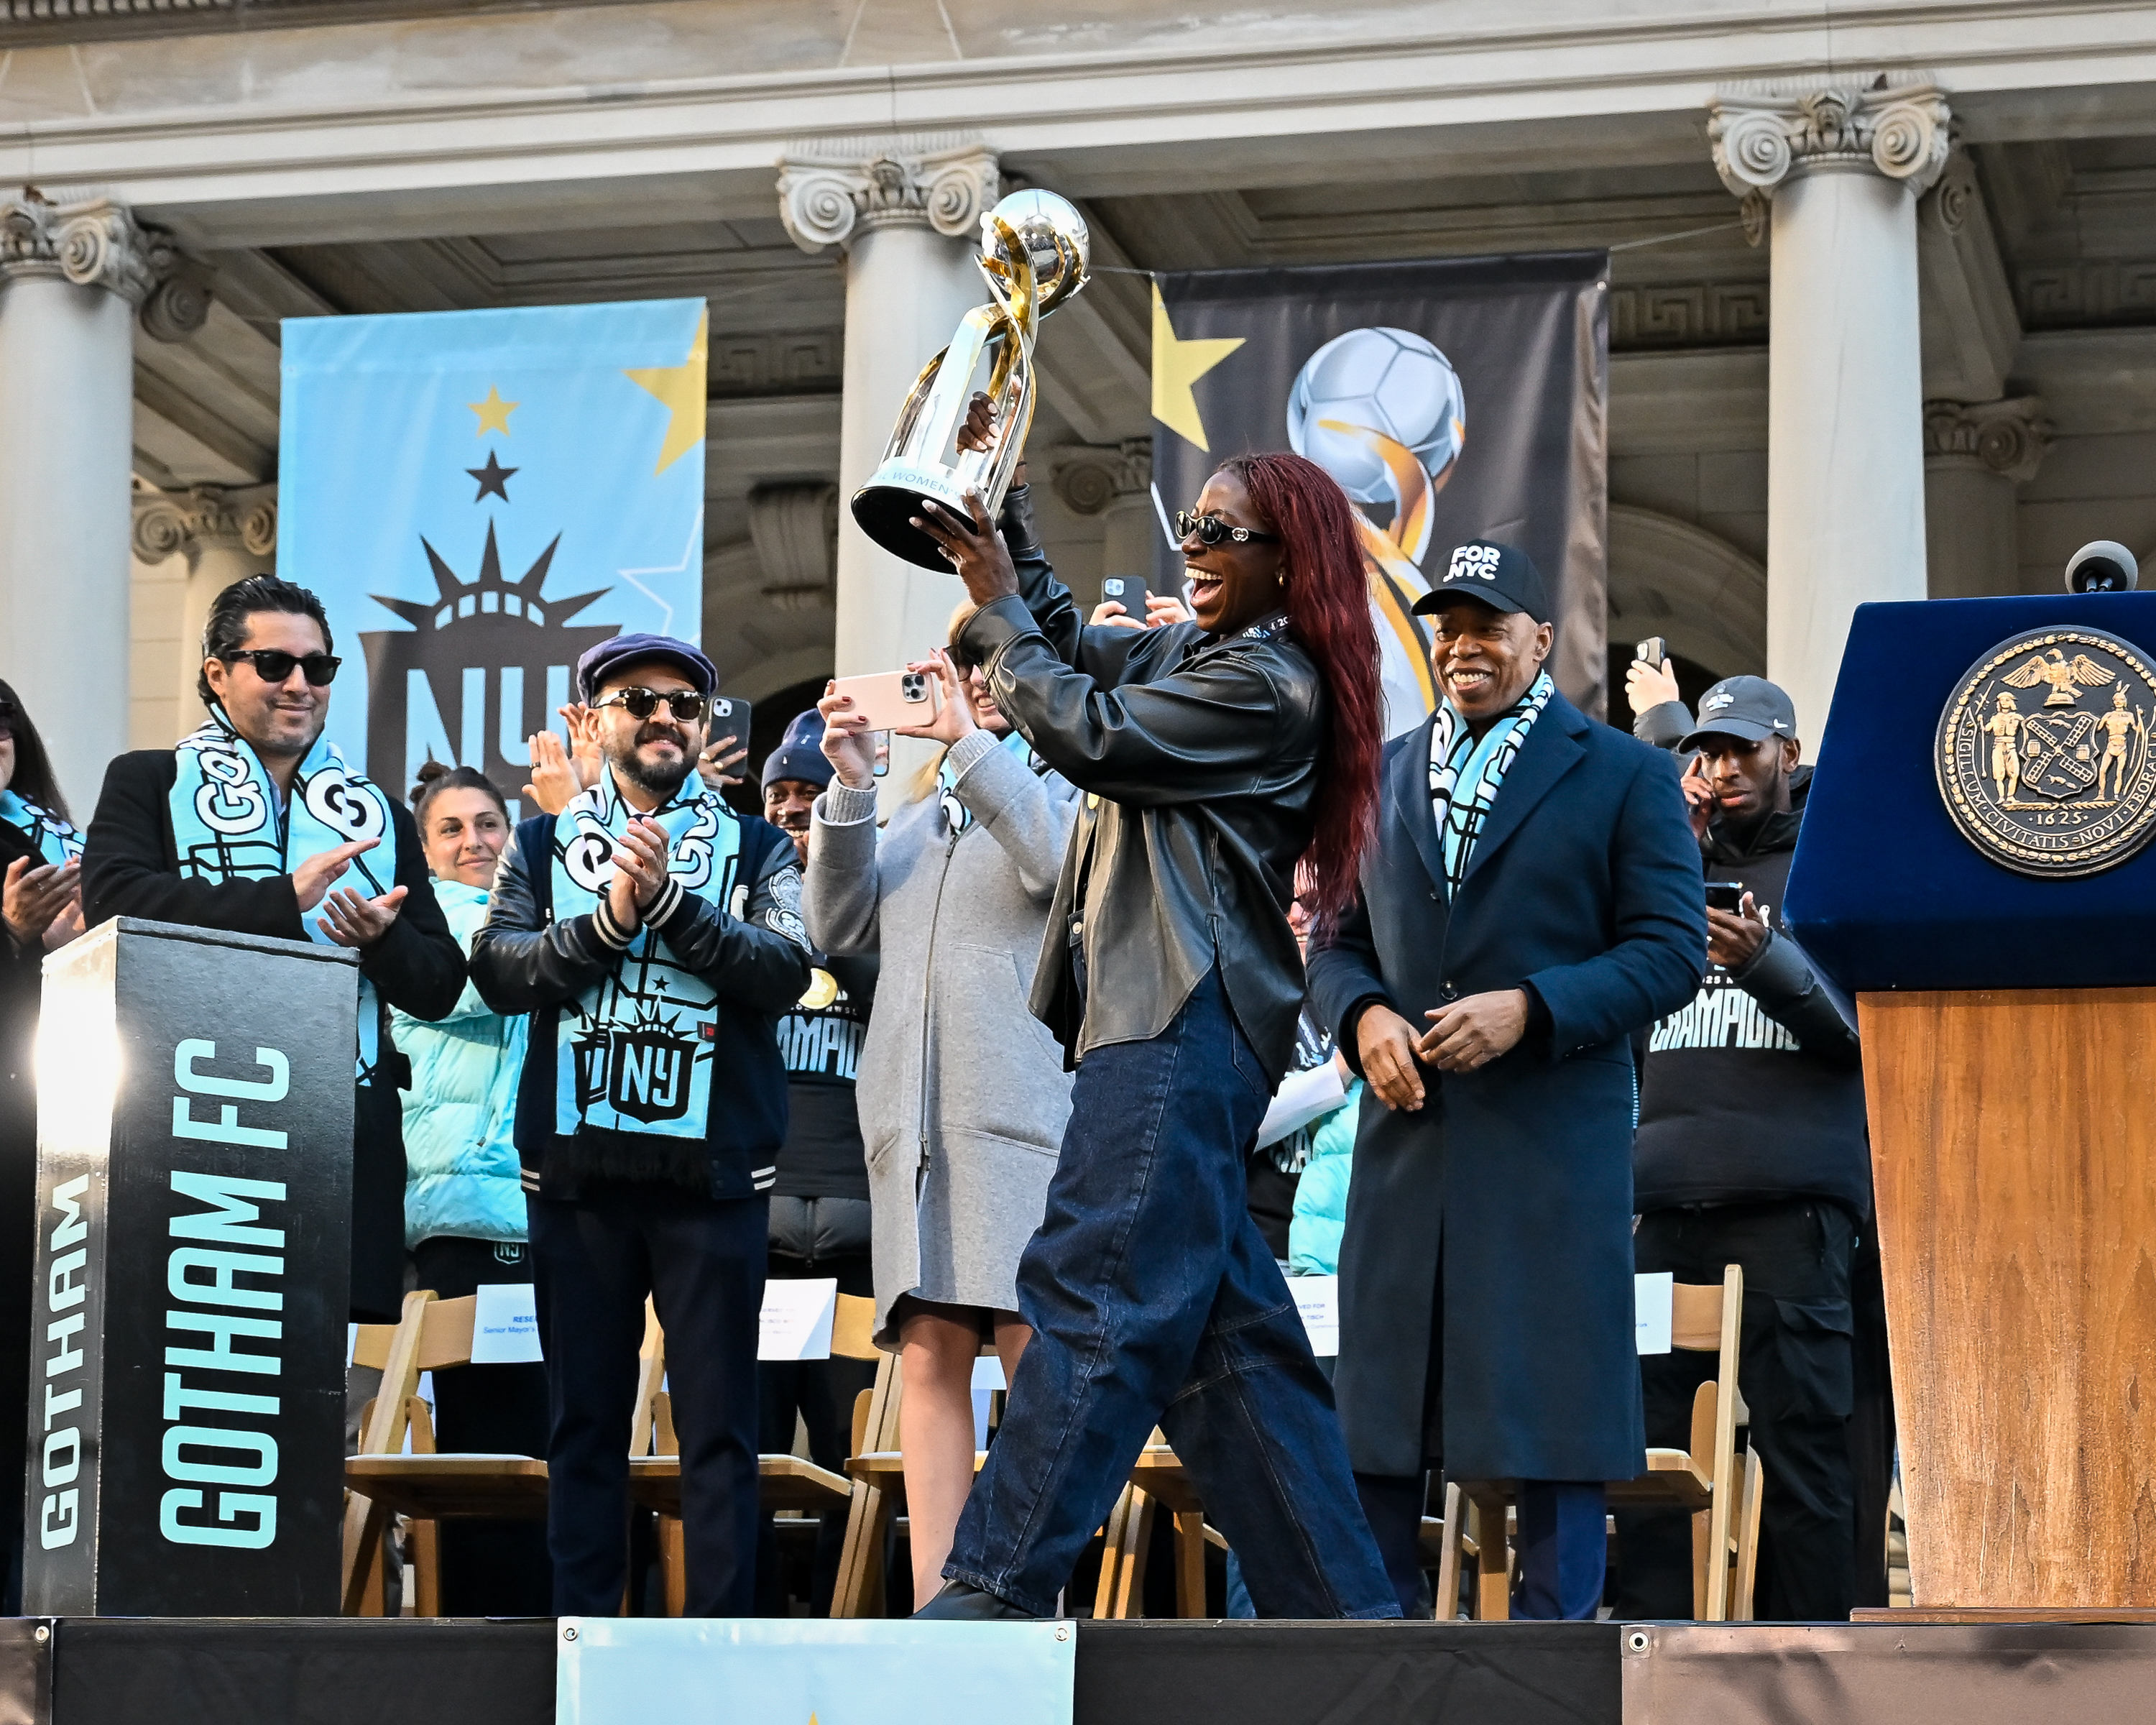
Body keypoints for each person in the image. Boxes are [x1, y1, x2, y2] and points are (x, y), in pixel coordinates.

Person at [904, 423, 1401, 1622]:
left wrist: (987, 606)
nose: (1196, 548)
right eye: (1190, 530)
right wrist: (1006, 515)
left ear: (1296, 560)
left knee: (1092, 1290)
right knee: (1234, 1350)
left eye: (1223, 533)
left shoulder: (1268, 684)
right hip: (1169, 1023)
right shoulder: (1203, 651)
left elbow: (1088, 733)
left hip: (1178, 1024)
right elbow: (1074, 653)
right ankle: (1344, 1618)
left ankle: (994, 1588)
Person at [1305, 539, 1705, 1621]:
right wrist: (1362, 1016)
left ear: (1542, 640)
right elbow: (1333, 942)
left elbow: (1671, 952)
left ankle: (1556, 1658)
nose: (1463, 646)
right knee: (1379, 1427)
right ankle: (1373, 1658)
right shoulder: (1378, 774)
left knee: (1556, 1427)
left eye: (1488, 626)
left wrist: (1534, 1006)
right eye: (1449, 627)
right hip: (1408, 1143)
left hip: (1548, 1154)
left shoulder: (1624, 773)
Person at [469, 632, 811, 1618]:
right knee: (582, 1423)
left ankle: (721, 1647)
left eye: (685, 706)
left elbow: (787, 971)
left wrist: (671, 906)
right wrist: (612, 921)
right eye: (639, 700)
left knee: (720, 1430)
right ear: (598, 721)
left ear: (704, 730)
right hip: (577, 1180)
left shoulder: (759, 845)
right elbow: (499, 968)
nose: (665, 716)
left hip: (714, 1181)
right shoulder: (539, 843)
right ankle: (580, 1638)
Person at [80, 574, 464, 1322]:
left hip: (339, 1133)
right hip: (188, 1122)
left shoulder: (377, 816)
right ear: (216, 673)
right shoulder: (149, 781)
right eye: (275, 665)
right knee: (192, 1359)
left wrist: (382, 942)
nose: (299, 685)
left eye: (318, 668)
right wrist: (283, 901)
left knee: (330, 1389)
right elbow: (114, 901)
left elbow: (440, 985)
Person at [804, 592, 1078, 1610]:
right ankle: (938, 1608)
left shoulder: (1071, 793)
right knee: (928, 1354)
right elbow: (835, 929)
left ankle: (1023, 1597)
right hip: (911, 1132)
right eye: (960, 671)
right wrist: (852, 788)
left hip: (1025, 1118)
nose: (975, 687)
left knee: (1033, 1354)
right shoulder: (919, 816)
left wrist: (971, 749)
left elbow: (1058, 867)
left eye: (995, 669)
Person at [1611, 673, 1874, 1623]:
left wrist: (1766, 962)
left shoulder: (1836, 868)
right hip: (1664, 1211)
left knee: (1805, 1456)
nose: (1723, 769)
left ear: (1788, 755)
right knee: (1639, 1454)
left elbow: (1866, 1041)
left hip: (1789, 1211)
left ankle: (1811, 1664)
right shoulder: (1670, 874)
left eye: (1744, 750)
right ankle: (1652, 1662)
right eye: (1709, 751)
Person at [393, 760, 551, 1616]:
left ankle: (546, 1638)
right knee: (492, 1460)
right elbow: (486, 979)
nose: (475, 841)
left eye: (490, 823)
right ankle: (490, 1647)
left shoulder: (532, 910)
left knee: (546, 1451)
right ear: (422, 851)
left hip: (547, 1210)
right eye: (451, 829)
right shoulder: (430, 928)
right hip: (472, 1214)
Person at [754, 709, 879, 1617]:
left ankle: (856, 1629)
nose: (795, 816)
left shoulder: (882, 895)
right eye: (781, 800)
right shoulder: (735, 896)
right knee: (750, 1446)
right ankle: (749, 1628)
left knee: (855, 1456)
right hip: (755, 1222)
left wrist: (833, 890)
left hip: (859, 1222)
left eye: (811, 799)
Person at [0, 680, 83, 1611]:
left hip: (60, 1140)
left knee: (45, 1396)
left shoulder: (59, 841)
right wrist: (14, 939)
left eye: (5, 725)